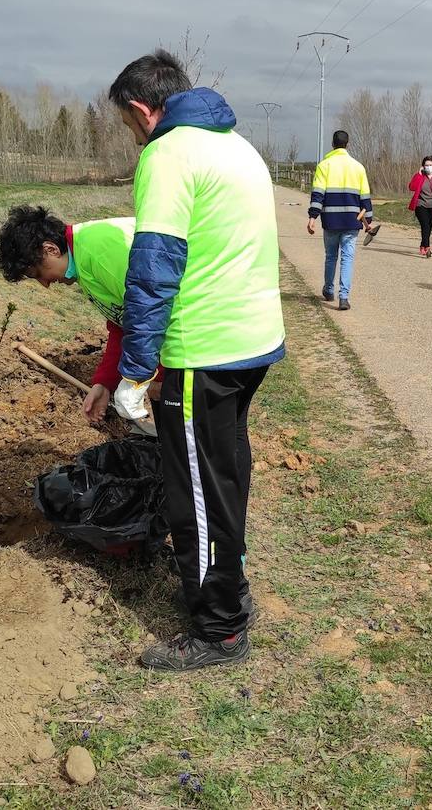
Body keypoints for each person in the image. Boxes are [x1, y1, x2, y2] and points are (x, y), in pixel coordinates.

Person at [108, 48, 285, 671]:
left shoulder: (168, 154)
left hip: (206, 350)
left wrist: (134, 371)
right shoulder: (237, 146)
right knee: (227, 473)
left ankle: (220, 629)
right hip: (253, 341)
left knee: (197, 495)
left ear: (140, 110)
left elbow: (153, 269)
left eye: (130, 128)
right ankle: (232, 592)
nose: (134, 139)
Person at [0, 208, 150, 422]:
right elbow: (122, 323)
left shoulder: (100, 252)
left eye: (38, 274)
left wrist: (149, 375)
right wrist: (104, 383)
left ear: (51, 249)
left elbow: (155, 312)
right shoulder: (83, 262)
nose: (45, 284)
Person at [306, 129, 375, 310]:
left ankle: (329, 290)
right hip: (352, 221)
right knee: (347, 258)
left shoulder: (324, 166)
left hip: (331, 220)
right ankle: (343, 297)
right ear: (348, 144)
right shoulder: (358, 167)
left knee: (331, 256)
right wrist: (369, 219)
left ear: (332, 144)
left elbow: (318, 194)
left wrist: (313, 217)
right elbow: (365, 197)